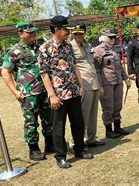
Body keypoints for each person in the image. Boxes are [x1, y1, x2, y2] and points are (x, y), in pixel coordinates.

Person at [38, 16, 93, 169]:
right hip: (59, 95)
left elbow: (74, 66)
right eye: (65, 29)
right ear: (56, 29)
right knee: (58, 127)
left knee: (78, 123)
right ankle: (60, 156)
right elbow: (44, 74)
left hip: (73, 91)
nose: (68, 32)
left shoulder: (68, 46)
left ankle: (79, 149)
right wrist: (52, 95)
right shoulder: (45, 48)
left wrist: (81, 85)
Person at [1, 22, 54, 161]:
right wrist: (15, 92)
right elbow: (5, 72)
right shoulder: (14, 51)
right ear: (20, 34)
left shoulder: (40, 47)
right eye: (30, 33)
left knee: (48, 119)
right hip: (28, 93)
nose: (33, 35)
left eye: (34, 32)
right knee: (31, 122)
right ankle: (34, 149)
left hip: (44, 90)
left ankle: (50, 144)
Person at [69, 22, 105, 147]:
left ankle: (91, 138)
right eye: (76, 34)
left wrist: (99, 84)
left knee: (93, 113)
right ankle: (76, 142)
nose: (78, 36)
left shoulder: (87, 45)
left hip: (94, 83)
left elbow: (92, 65)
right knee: (82, 115)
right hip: (84, 84)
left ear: (84, 33)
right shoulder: (70, 47)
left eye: (81, 33)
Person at [93, 28, 131, 139]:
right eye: (111, 37)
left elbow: (119, 67)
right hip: (106, 83)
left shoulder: (113, 49)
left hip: (118, 81)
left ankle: (117, 127)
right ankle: (108, 130)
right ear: (104, 37)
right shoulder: (98, 50)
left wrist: (126, 78)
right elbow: (97, 70)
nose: (113, 39)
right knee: (108, 107)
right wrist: (99, 86)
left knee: (117, 105)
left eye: (114, 37)